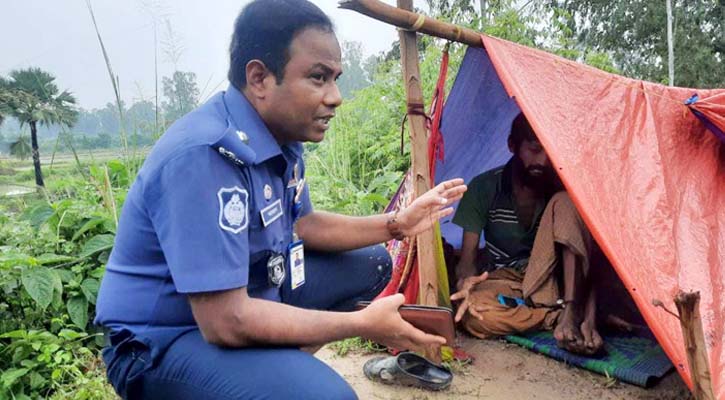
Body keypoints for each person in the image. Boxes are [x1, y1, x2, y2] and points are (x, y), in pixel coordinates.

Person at [93, 1, 467, 399]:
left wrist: (396, 224)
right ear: (259, 78)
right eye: (319, 78)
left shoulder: (278, 140)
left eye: (335, 78)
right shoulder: (204, 155)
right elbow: (226, 321)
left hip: (242, 296)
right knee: (329, 397)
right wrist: (361, 324)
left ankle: (276, 372)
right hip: (160, 341)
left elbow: (304, 226)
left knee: (372, 262)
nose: (336, 96)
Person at [449, 113, 603, 355]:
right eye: (533, 149)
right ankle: (558, 318)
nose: (542, 161)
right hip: (507, 280)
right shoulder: (483, 187)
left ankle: (572, 310)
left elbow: (590, 259)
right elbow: (467, 262)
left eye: (548, 152)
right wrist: (465, 286)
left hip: (557, 281)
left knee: (565, 201)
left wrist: (582, 306)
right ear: (512, 145)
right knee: (475, 314)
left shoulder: (562, 185)